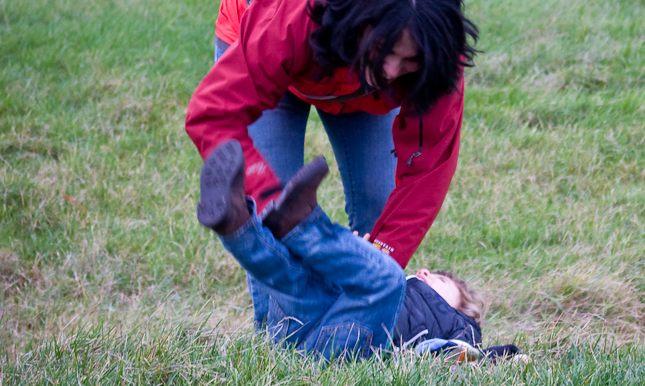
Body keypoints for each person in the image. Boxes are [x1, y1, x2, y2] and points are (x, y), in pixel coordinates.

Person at [186, 0, 479, 271]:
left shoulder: (437, 50)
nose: (391, 71)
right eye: (386, 51)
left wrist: (381, 266)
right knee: (276, 224)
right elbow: (212, 114)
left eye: (408, 61)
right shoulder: (296, 10)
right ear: (362, 26)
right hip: (272, 38)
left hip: (350, 70)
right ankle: (285, 324)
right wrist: (276, 206)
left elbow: (428, 169)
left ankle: (359, 322)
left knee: (379, 208)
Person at [196, 139, 487, 360]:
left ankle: (303, 227)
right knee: (290, 276)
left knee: (389, 280)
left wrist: (495, 356)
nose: (424, 272)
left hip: (340, 352)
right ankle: (237, 225)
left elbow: (452, 353)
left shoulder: (459, 328)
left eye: (441, 280)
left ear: (462, 312)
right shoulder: (411, 294)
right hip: (308, 331)